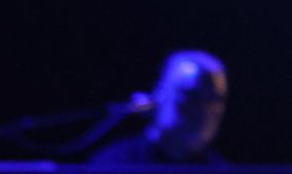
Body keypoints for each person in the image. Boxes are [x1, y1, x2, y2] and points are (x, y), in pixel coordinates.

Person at [89, 48, 229, 166]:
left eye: (215, 99)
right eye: (192, 96)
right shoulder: (111, 165)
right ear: (159, 95)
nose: (205, 109)